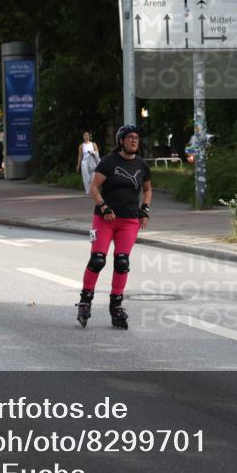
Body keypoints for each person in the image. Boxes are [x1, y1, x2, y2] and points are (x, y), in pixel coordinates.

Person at [76, 124, 152, 330]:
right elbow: (94, 188)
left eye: (136, 138)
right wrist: (103, 206)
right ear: (121, 141)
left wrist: (145, 210)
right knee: (98, 259)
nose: (134, 140)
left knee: (122, 262)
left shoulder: (141, 165)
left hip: (129, 220)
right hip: (105, 219)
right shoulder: (109, 162)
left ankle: (116, 305)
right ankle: (85, 300)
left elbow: (147, 189)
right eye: (130, 137)